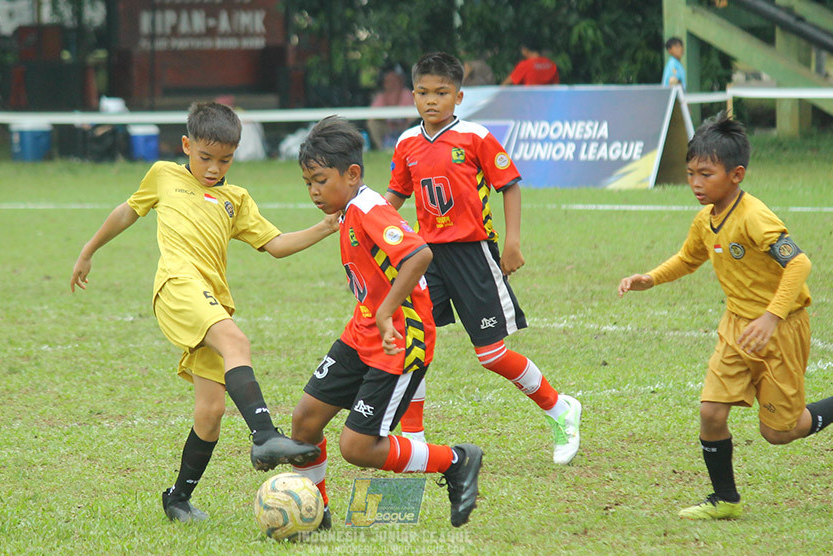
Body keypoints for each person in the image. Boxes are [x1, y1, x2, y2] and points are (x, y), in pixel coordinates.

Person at [70, 102, 338, 523]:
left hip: (210, 299)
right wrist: (88, 250)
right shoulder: (164, 175)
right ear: (186, 145)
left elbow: (277, 244)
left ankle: (177, 498)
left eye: (226, 159)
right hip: (177, 286)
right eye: (205, 157)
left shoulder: (236, 199)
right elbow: (127, 211)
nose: (214, 168)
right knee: (236, 340)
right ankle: (265, 435)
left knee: (210, 412)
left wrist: (326, 227)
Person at [617, 111, 833, 520]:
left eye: (706, 174)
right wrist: (650, 279)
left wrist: (772, 317)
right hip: (737, 329)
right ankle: (725, 499)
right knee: (711, 412)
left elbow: (799, 265)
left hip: (781, 329)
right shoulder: (705, 220)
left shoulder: (755, 216)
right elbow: (689, 259)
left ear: (736, 174)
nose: (695, 183)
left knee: (779, 432)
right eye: (691, 173)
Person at [387, 51, 582, 465]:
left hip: (473, 254)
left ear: (459, 97)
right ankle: (414, 439)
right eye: (422, 92)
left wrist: (512, 242)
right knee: (413, 343)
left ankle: (560, 408)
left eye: (441, 93)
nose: (431, 101)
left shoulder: (475, 137)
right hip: (425, 258)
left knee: (491, 354)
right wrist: (367, 220)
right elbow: (396, 197)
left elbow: (509, 184)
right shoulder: (406, 143)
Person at [291, 116, 484, 529]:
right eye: (308, 182)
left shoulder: (369, 208)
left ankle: (456, 460)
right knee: (305, 421)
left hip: (399, 340)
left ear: (353, 174)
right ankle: (317, 514)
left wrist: (384, 311)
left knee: (357, 447)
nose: (313, 191)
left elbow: (419, 256)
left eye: (320, 180)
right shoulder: (347, 208)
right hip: (362, 332)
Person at [367, 69, 415, 150]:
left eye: (393, 80)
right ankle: (381, 150)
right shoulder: (381, 96)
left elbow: (413, 115)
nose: (390, 83)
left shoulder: (407, 94)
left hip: (404, 126)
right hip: (387, 126)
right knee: (372, 124)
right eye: (388, 81)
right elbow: (372, 115)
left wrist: (402, 122)